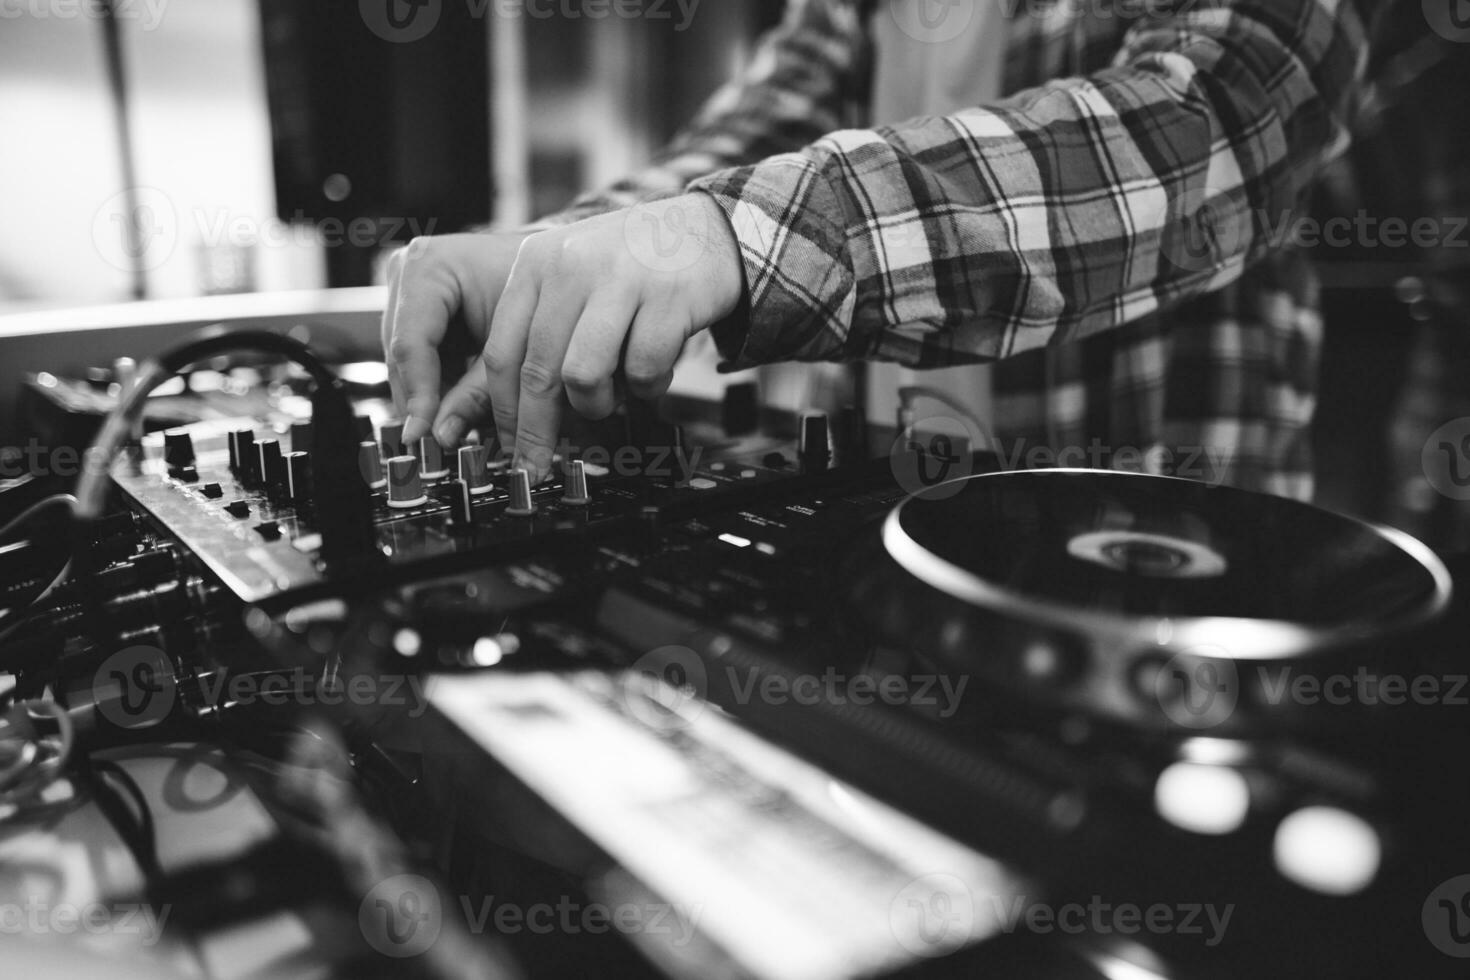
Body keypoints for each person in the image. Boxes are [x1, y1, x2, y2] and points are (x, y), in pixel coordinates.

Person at [380, 0, 1379, 497]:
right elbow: (762, 125)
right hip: (882, 555)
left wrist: (734, 233)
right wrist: (553, 256)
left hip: (1155, 591)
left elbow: (1205, 124)